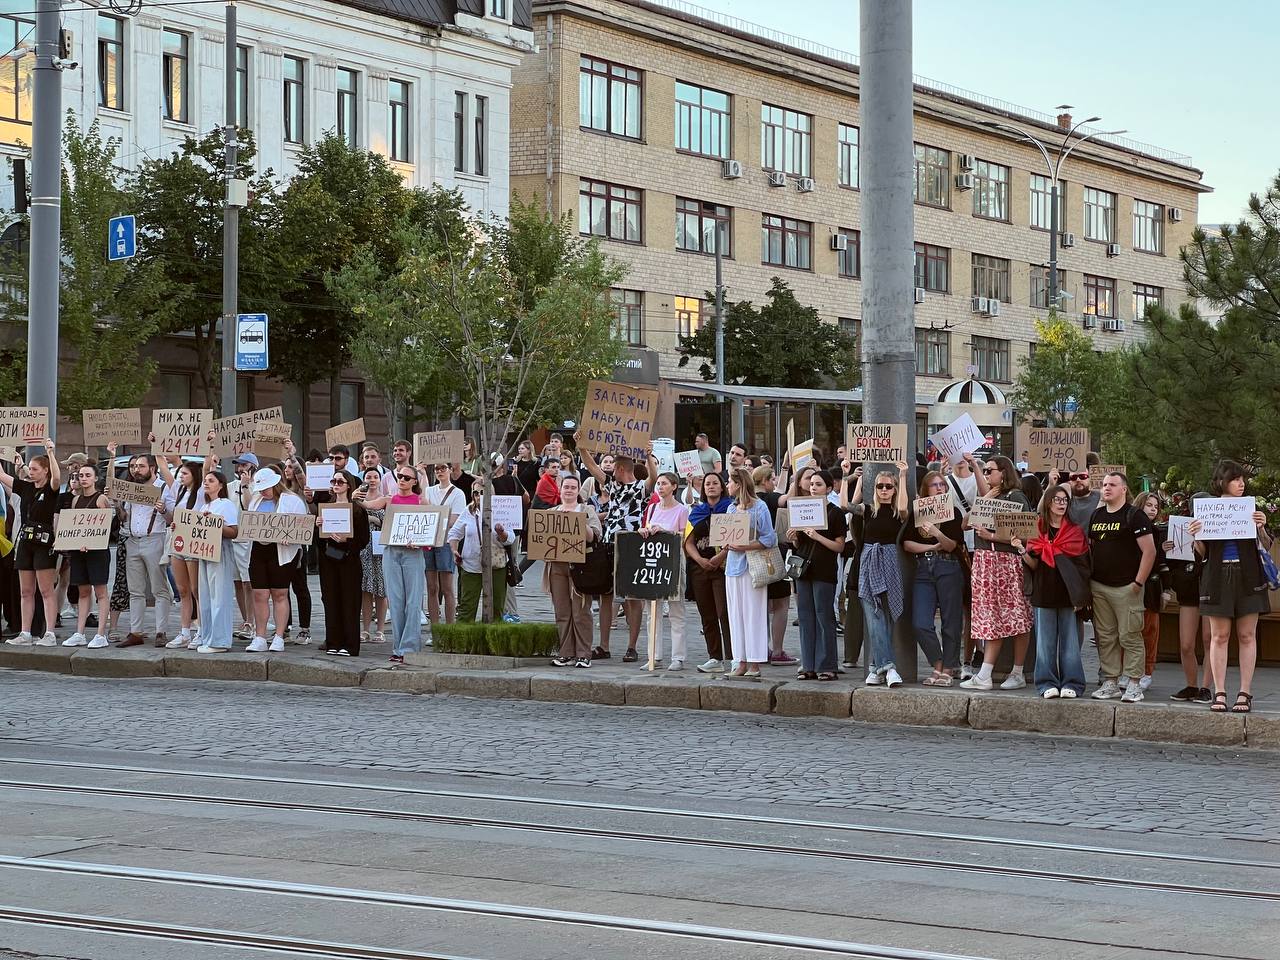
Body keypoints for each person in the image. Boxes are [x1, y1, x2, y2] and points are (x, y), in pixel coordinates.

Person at [1190, 460, 1269, 714]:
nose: (1241, 483)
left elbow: (1265, 547)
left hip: (1248, 575)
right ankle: (1220, 692)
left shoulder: (1250, 509)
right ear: (1222, 481)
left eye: (1243, 479)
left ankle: (1245, 692)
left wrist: (1261, 527)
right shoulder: (1208, 510)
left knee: (1247, 635)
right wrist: (1197, 536)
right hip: (1217, 575)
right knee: (1219, 636)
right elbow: (1202, 554)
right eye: (1235, 479)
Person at [577, 440, 656, 661]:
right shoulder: (613, 485)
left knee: (632, 596)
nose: (610, 471)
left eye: (614, 468)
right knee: (605, 594)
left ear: (621, 469)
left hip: (631, 544)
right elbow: (592, 467)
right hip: (609, 543)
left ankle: (632, 646)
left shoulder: (640, 487)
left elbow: (654, 477)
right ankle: (604, 646)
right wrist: (582, 447)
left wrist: (649, 455)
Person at [961, 456, 1034, 692]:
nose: (985, 474)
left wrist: (992, 535)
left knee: (1016, 617)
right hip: (985, 562)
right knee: (991, 617)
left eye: (989, 470)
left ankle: (1017, 671)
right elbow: (965, 524)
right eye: (984, 470)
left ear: (1003, 472)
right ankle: (985, 673)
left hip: (1007, 563)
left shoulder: (1016, 496)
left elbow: (1024, 534)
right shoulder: (990, 497)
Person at [1013, 484, 1091, 698]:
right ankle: (1046, 683)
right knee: (1045, 644)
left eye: (1065, 500)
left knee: (1070, 643)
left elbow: (1083, 566)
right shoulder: (1036, 530)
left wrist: (1082, 596)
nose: (1061, 503)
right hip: (1043, 593)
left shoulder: (1075, 532)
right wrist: (1021, 549)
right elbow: (1034, 565)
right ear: (1047, 502)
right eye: (1057, 499)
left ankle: (1072, 684)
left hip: (1068, 595)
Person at [1087, 471, 1156, 702]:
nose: (1107, 488)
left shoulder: (1135, 516)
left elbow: (1150, 551)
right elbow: (1091, 548)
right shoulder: (1096, 515)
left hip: (1127, 587)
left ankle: (1135, 683)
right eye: (1104, 484)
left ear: (1124, 489)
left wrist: (1138, 582)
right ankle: (1111, 682)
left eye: (1113, 485)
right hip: (1100, 586)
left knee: (1130, 635)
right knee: (1106, 637)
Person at [847, 460, 909, 687]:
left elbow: (903, 508)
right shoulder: (868, 509)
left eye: (888, 486)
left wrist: (902, 476)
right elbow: (846, 505)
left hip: (889, 561)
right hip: (868, 561)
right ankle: (889, 668)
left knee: (888, 615)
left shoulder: (896, 511)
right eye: (880, 486)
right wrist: (849, 478)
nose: (884, 490)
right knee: (874, 617)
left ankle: (875, 667)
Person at [902, 471, 965, 686]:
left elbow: (952, 545)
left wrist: (937, 534)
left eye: (942, 485)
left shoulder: (953, 512)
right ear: (925, 489)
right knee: (920, 622)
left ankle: (949, 667)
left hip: (948, 565)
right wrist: (930, 546)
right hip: (922, 568)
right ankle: (937, 663)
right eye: (934, 485)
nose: (939, 488)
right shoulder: (918, 511)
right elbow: (907, 543)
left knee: (951, 621)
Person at [0, 441, 61, 646]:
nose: (31, 472)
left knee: (45, 590)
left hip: (43, 543)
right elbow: (2, 476)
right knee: (25, 590)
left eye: (35, 469)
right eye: (31, 469)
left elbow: (57, 477)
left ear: (45, 471)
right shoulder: (25, 487)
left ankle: (49, 633)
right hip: (25, 542)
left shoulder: (52, 489)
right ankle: (25, 633)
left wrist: (50, 453)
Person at [788, 469, 847, 681]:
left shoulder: (835, 513)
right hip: (803, 570)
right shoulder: (802, 507)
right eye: (812, 484)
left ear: (829, 488)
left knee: (824, 617)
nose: (813, 487)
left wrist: (817, 536)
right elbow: (799, 545)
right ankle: (808, 664)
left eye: (819, 484)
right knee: (805, 617)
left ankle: (827, 665)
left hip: (824, 571)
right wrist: (795, 537)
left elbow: (839, 547)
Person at [244, 467, 309, 653]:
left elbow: (301, 529)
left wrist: (291, 537)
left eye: (266, 488)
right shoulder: (256, 500)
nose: (263, 492)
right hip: (259, 549)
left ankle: (279, 636)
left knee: (280, 593)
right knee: (259, 594)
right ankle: (260, 636)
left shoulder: (292, 501)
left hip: (282, 551)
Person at [722, 467, 776, 679]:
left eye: (730, 482)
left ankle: (754, 662)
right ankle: (740, 660)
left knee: (754, 614)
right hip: (733, 567)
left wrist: (746, 546)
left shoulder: (759, 507)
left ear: (739, 484)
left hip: (753, 567)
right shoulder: (731, 509)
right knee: (736, 615)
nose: (728, 485)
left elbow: (770, 538)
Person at [117, 453, 175, 648]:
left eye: (141, 467)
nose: (136, 470)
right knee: (135, 591)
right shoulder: (129, 489)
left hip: (155, 539)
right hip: (132, 540)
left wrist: (163, 510)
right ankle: (136, 632)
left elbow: (172, 520)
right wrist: (116, 501)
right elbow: (123, 516)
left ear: (152, 468)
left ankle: (161, 631)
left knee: (159, 588)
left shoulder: (164, 488)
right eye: (134, 467)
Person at [635, 471, 690, 669]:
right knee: (652, 611)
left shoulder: (682, 510)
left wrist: (666, 532)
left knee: (676, 610)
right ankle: (654, 655)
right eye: (658, 483)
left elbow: (684, 537)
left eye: (664, 483)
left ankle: (678, 657)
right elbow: (645, 529)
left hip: (673, 562)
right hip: (653, 562)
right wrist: (643, 531)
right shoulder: (651, 509)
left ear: (674, 486)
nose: (660, 487)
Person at [545, 475, 602, 667]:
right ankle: (566, 652)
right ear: (560, 490)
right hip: (557, 564)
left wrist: (579, 523)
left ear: (578, 491)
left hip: (581, 565)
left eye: (572, 487)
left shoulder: (586, 510)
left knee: (581, 611)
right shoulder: (551, 512)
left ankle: (584, 653)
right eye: (566, 487)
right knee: (562, 610)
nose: (569, 490)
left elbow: (595, 535)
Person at [317, 470, 370, 656]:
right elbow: (318, 542)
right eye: (334, 481)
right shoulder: (325, 507)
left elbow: (364, 540)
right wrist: (318, 526)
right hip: (329, 560)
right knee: (331, 601)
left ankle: (350, 644)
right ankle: (333, 641)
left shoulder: (357, 509)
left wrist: (345, 541)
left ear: (349, 485)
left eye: (340, 481)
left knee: (350, 602)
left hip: (349, 561)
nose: (336, 484)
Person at [60, 462, 112, 649]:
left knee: (100, 592)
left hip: (97, 552)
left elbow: (107, 527)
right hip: (79, 552)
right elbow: (74, 526)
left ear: (95, 478)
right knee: (83, 591)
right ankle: (79, 632)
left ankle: (100, 634)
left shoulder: (101, 499)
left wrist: (90, 542)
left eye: (87, 475)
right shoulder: (75, 500)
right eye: (80, 475)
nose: (83, 479)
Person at [157, 453, 205, 649]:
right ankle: (185, 632)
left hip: (193, 543)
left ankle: (201, 630)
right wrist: (157, 444)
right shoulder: (179, 491)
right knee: (183, 589)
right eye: (181, 473)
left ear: (194, 474)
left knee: (196, 590)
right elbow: (164, 469)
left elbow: (209, 466)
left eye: (184, 473)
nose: (181, 476)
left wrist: (209, 445)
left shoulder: (201, 491)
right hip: (178, 542)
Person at [1166, 497, 1211, 704]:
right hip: (1189, 590)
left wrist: (1200, 545)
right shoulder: (1183, 526)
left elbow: (1211, 558)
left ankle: (1206, 687)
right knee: (1186, 644)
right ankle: (1192, 685)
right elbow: (1174, 561)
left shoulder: (1216, 529)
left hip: (1211, 589)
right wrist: (1167, 549)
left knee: (1210, 639)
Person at [449, 483, 516, 622]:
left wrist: (501, 532)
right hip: (471, 566)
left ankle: (492, 640)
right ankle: (464, 641)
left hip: (496, 567)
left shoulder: (502, 509)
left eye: (483, 491)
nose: (479, 495)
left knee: (496, 608)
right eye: (476, 492)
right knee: (466, 608)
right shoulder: (469, 511)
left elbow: (510, 538)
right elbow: (454, 533)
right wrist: (454, 549)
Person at [381, 465, 428, 664]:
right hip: (392, 550)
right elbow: (366, 504)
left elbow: (431, 527)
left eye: (407, 478)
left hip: (413, 552)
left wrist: (421, 542)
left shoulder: (421, 500)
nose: (402, 480)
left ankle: (409, 648)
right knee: (396, 601)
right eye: (399, 476)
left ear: (414, 482)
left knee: (413, 601)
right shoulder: (390, 499)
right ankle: (398, 647)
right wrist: (356, 496)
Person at [686, 471, 732, 673]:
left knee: (725, 612)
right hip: (700, 568)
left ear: (722, 487)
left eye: (715, 483)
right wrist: (699, 560)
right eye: (707, 484)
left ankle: (734, 656)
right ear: (703, 489)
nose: (711, 486)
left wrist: (719, 556)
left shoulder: (730, 509)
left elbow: (735, 536)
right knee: (707, 614)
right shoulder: (697, 511)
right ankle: (714, 657)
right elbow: (688, 542)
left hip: (724, 567)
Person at [752, 464, 797, 666]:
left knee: (760, 604)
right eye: (772, 479)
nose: (774, 483)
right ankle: (777, 650)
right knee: (781, 604)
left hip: (752, 556)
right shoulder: (768, 499)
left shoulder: (748, 500)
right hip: (772, 555)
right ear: (764, 481)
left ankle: (761, 648)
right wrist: (794, 484)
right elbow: (784, 498)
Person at [194, 469, 240, 653]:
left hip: (220, 551)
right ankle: (208, 637)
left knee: (219, 596)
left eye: (210, 480)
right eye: (205, 480)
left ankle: (219, 641)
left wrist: (215, 524)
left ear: (220, 485)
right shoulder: (204, 507)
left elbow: (234, 531)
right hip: (204, 553)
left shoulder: (226, 504)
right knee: (205, 597)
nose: (206, 483)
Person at [424, 463, 466, 628]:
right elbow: (423, 510)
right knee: (431, 587)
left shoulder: (458, 494)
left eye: (443, 468)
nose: (440, 472)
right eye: (436, 469)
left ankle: (450, 627)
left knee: (447, 587)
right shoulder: (429, 490)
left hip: (446, 541)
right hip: (429, 540)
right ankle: (435, 628)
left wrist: (435, 517)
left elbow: (456, 520)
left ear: (449, 470)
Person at [1133, 491, 1166, 692]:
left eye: (1156, 506)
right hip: (1131, 584)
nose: (1153, 509)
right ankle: (1130, 672)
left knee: (1149, 631)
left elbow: (1161, 564)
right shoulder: (1130, 527)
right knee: (1129, 632)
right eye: (1149, 505)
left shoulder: (1158, 531)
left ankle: (1147, 672)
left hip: (1151, 588)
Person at [359, 467, 389, 645]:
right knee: (365, 590)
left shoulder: (386, 499)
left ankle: (380, 630)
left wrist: (375, 520)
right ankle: (365, 629)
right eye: (368, 476)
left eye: (375, 476)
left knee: (381, 590)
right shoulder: (358, 499)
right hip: (363, 549)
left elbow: (391, 522)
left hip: (380, 548)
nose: (372, 479)